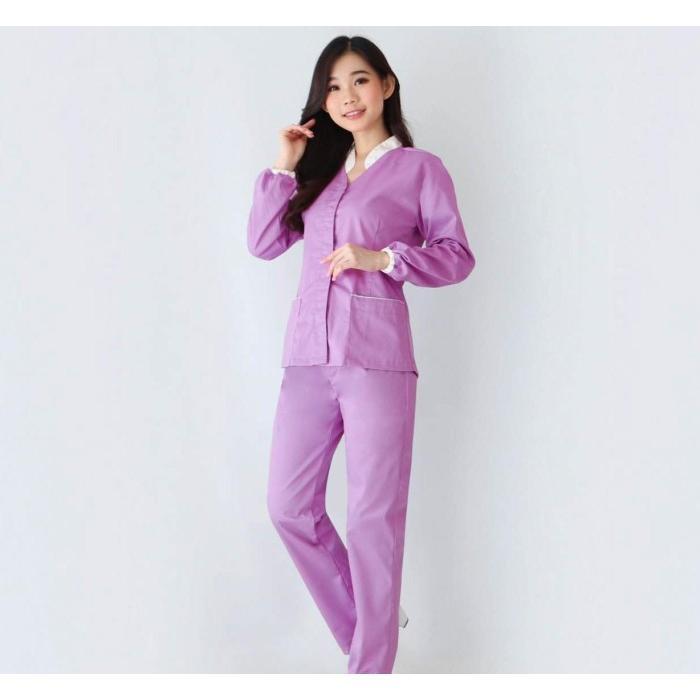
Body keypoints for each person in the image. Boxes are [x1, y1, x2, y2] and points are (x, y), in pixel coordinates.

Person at [246, 35, 476, 673]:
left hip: (377, 361)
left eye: (359, 81)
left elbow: (457, 255)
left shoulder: (420, 169)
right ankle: (374, 623)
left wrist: (385, 259)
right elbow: (263, 243)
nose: (347, 97)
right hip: (307, 359)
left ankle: (370, 670)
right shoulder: (319, 173)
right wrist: (285, 163)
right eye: (333, 87)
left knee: (373, 518)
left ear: (386, 85)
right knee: (287, 506)